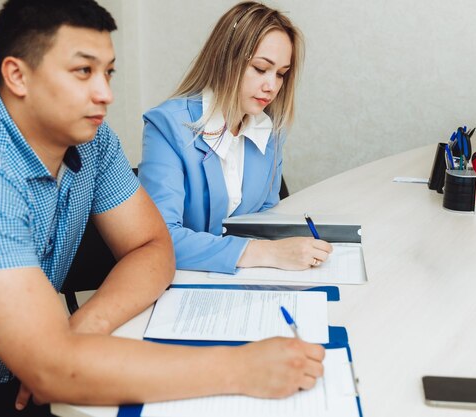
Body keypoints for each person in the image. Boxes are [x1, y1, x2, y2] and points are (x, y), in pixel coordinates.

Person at [0, 0, 324, 416]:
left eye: (108, 72)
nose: (105, 93)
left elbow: (153, 245)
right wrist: (241, 369)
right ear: (17, 76)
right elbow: (52, 371)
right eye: (82, 71)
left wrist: (84, 326)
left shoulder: (94, 144)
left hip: (23, 364)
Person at [139, 2, 334, 274]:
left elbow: (265, 218)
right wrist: (269, 252)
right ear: (225, 59)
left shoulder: (269, 130)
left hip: (244, 279)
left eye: (280, 74)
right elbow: (158, 240)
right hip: (183, 282)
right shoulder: (167, 126)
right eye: (260, 68)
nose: (272, 86)